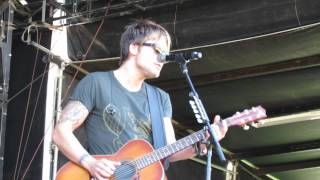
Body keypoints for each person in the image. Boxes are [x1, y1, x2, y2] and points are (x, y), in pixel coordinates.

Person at [53, 19, 228, 180]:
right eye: (158, 51)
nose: (163, 59)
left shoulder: (160, 98)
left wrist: (201, 144)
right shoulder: (96, 83)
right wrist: (90, 163)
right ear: (134, 47)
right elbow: (61, 131)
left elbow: (170, 151)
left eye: (167, 54)